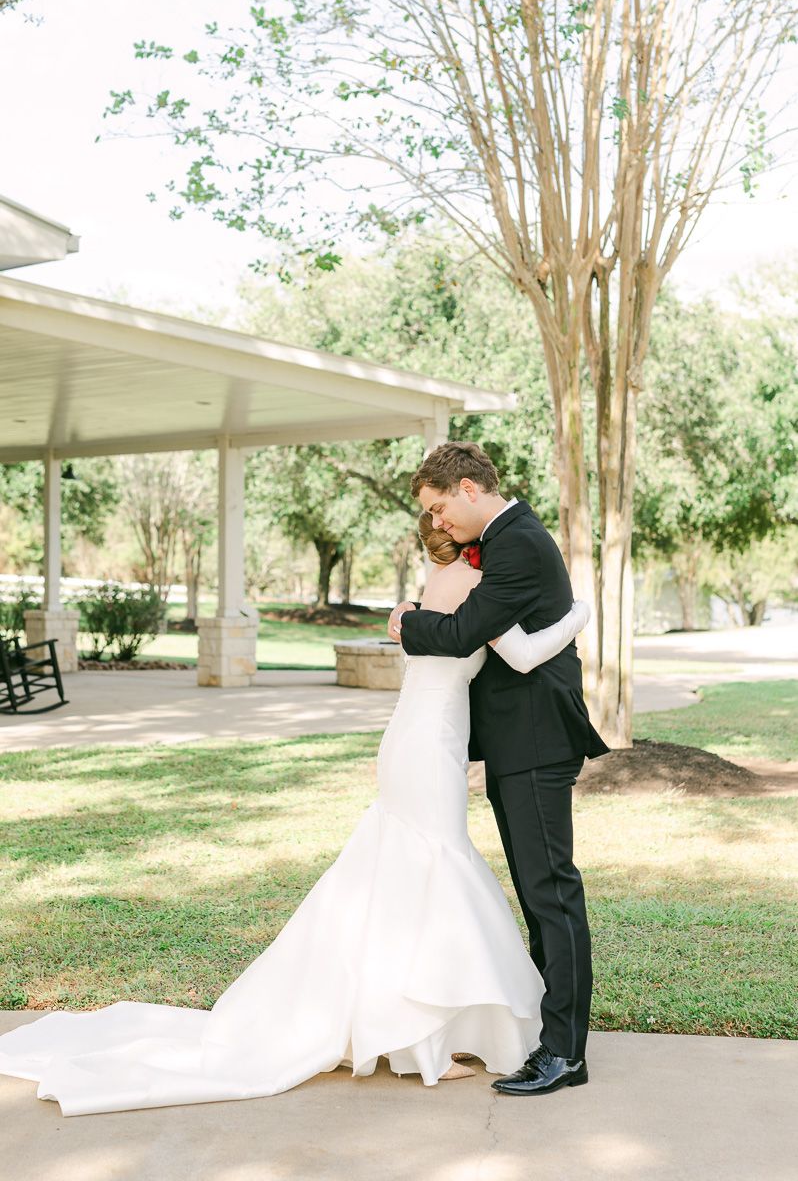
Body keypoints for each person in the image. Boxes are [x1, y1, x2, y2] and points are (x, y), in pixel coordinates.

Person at [0, 511, 590, 1117]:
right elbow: (519, 653)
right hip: (430, 740)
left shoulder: (436, 588)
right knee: (430, 865)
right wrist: (579, 615)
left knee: (408, 868)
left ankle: (421, 1029)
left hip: (417, 737)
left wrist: (410, 614)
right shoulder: (472, 587)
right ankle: (424, 1036)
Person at [390, 441, 609, 1097]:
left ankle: (565, 1054)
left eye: (438, 508)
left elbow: (463, 634)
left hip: (538, 745)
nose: (436, 524)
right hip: (517, 746)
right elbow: (508, 643)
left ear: (467, 487)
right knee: (542, 901)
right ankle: (550, 1038)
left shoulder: (516, 543)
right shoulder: (505, 542)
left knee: (553, 897)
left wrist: (405, 624)